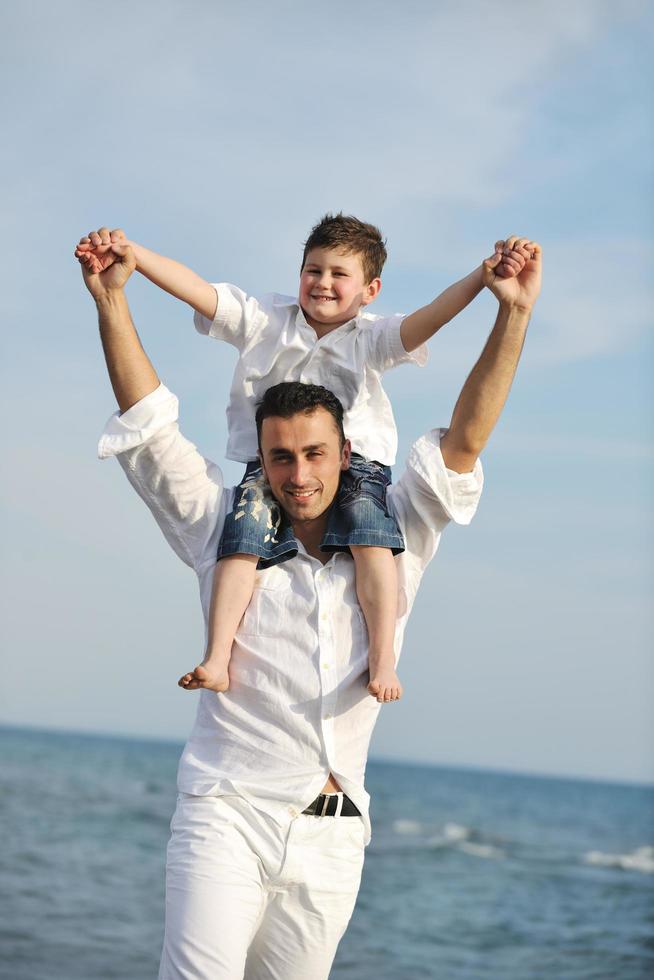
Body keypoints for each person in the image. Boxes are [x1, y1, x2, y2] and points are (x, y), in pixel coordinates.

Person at [78, 230, 541, 979]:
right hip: (227, 815)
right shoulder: (222, 526)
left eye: (315, 454)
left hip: (333, 838)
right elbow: (150, 432)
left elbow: (464, 443)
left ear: (346, 452)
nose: (297, 474)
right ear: (260, 459)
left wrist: (511, 315)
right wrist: (111, 303)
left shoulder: (394, 537)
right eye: (280, 457)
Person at [76, 216, 526, 704]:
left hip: (361, 470)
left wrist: (483, 281)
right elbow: (199, 291)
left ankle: (383, 657)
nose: (323, 283)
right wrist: (135, 257)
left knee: (374, 547)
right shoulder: (265, 320)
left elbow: (431, 316)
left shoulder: (371, 338)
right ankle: (217, 654)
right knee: (240, 545)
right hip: (262, 467)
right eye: (313, 270)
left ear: (370, 290)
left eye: (339, 274)